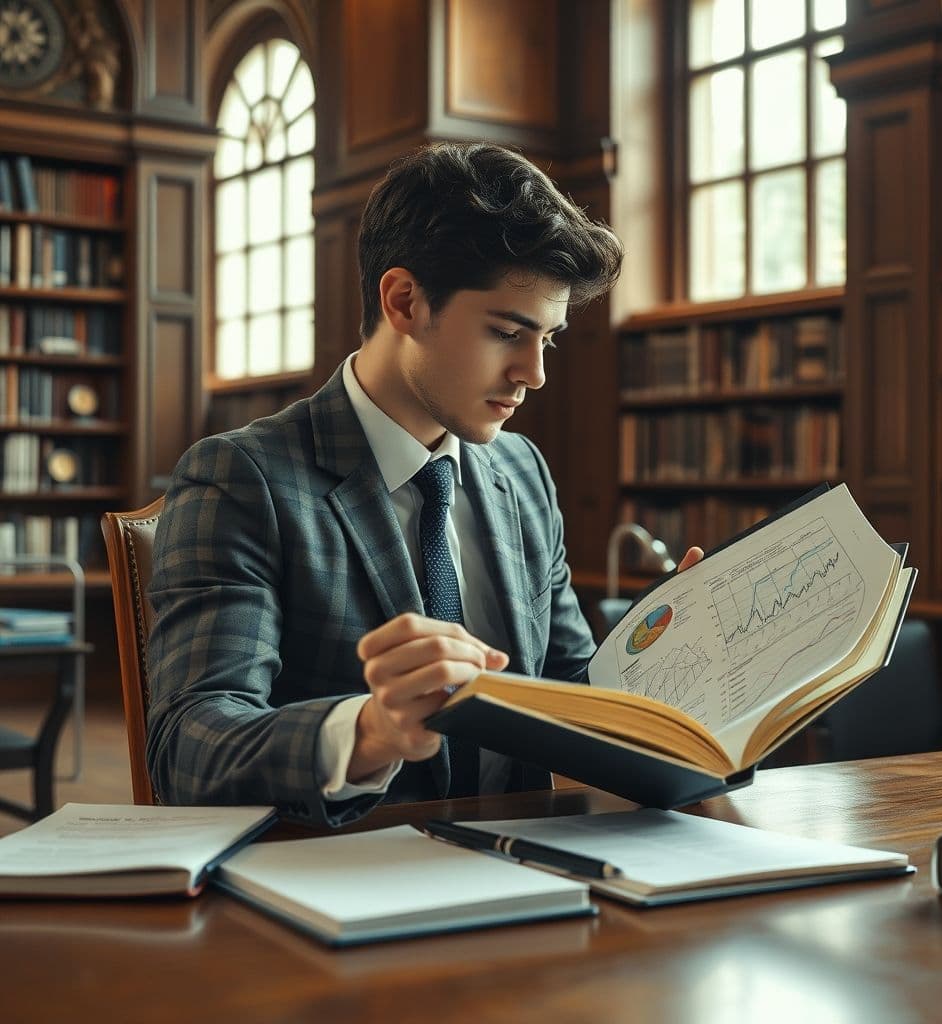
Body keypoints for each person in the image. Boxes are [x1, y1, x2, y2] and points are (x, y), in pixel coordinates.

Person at [146, 142, 702, 827]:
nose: (535, 373)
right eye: (507, 332)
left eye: (548, 340)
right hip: (338, 893)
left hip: (535, 873)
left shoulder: (522, 474)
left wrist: (672, 651)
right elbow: (188, 750)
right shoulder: (241, 479)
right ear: (404, 301)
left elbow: (568, 693)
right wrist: (370, 732)